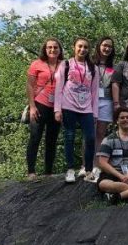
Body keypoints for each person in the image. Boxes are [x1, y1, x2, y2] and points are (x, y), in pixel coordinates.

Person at [55, 38, 99, 183]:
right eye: (80, 46)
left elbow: (94, 92)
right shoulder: (66, 64)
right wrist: (57, 109)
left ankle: (88, 170)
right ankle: (70, 170)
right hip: (68, 105)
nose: (82, 49)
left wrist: (95, 113)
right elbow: (59, 87)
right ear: (74, 47)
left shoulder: (93, 68)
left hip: (86, 107)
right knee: (69, 136)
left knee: (91, 138)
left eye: (86, 47)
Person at [26, 38, 64, 180]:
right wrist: (32, 107)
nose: (52, 50)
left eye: (55, 47)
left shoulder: (64, 65)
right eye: (49, 47)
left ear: (60, 50)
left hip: (57, 107)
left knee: (51, 140)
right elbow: (30, 85)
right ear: (45, 49)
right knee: (35, 137)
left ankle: (48, 172)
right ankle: (31, 172)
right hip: (39, 104)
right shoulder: (37, 64)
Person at [88, 37, 116, 183]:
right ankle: (86, 165)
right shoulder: (90, 63)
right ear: (99, 46)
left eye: (110, 46)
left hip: (107, 101)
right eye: (105, 45)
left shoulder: (113, 66)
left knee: (100, 134)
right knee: (89, 134)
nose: (107, 48)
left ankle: (97, 165)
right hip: (91, 101)